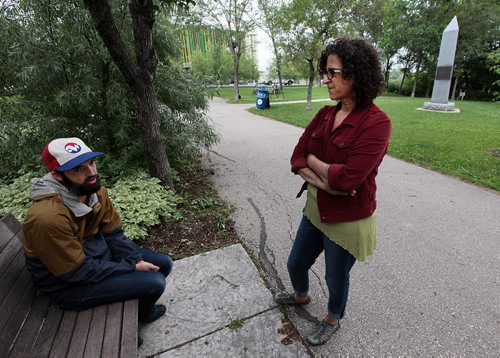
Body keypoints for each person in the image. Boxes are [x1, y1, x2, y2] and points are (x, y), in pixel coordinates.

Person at [274, 38, 392, 345]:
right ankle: (301, 295)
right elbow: (297, 156)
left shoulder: (377, 123)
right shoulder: (325, 115)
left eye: (332, 72)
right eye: (325, 72)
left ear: (354, 73)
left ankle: (332, 317)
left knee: (335, 276)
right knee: (295, 262)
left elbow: (350, 179)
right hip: (316, 208)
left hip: (348, 218)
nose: (325, 79)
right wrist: (322, 175)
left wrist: (320, 169)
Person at [21, 137, 173, 335]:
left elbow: (114, 234)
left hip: (93, 256)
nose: (91, 173)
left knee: (164, 264)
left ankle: (139, 310)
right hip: (68, 284)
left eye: (91, 163)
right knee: (155, 282)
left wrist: (135, 259)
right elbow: (75, 272)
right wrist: (131, 266)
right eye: (78, 169)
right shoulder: (46, 217)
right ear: (57, 175)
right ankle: (133, 322)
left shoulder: (95, 192)